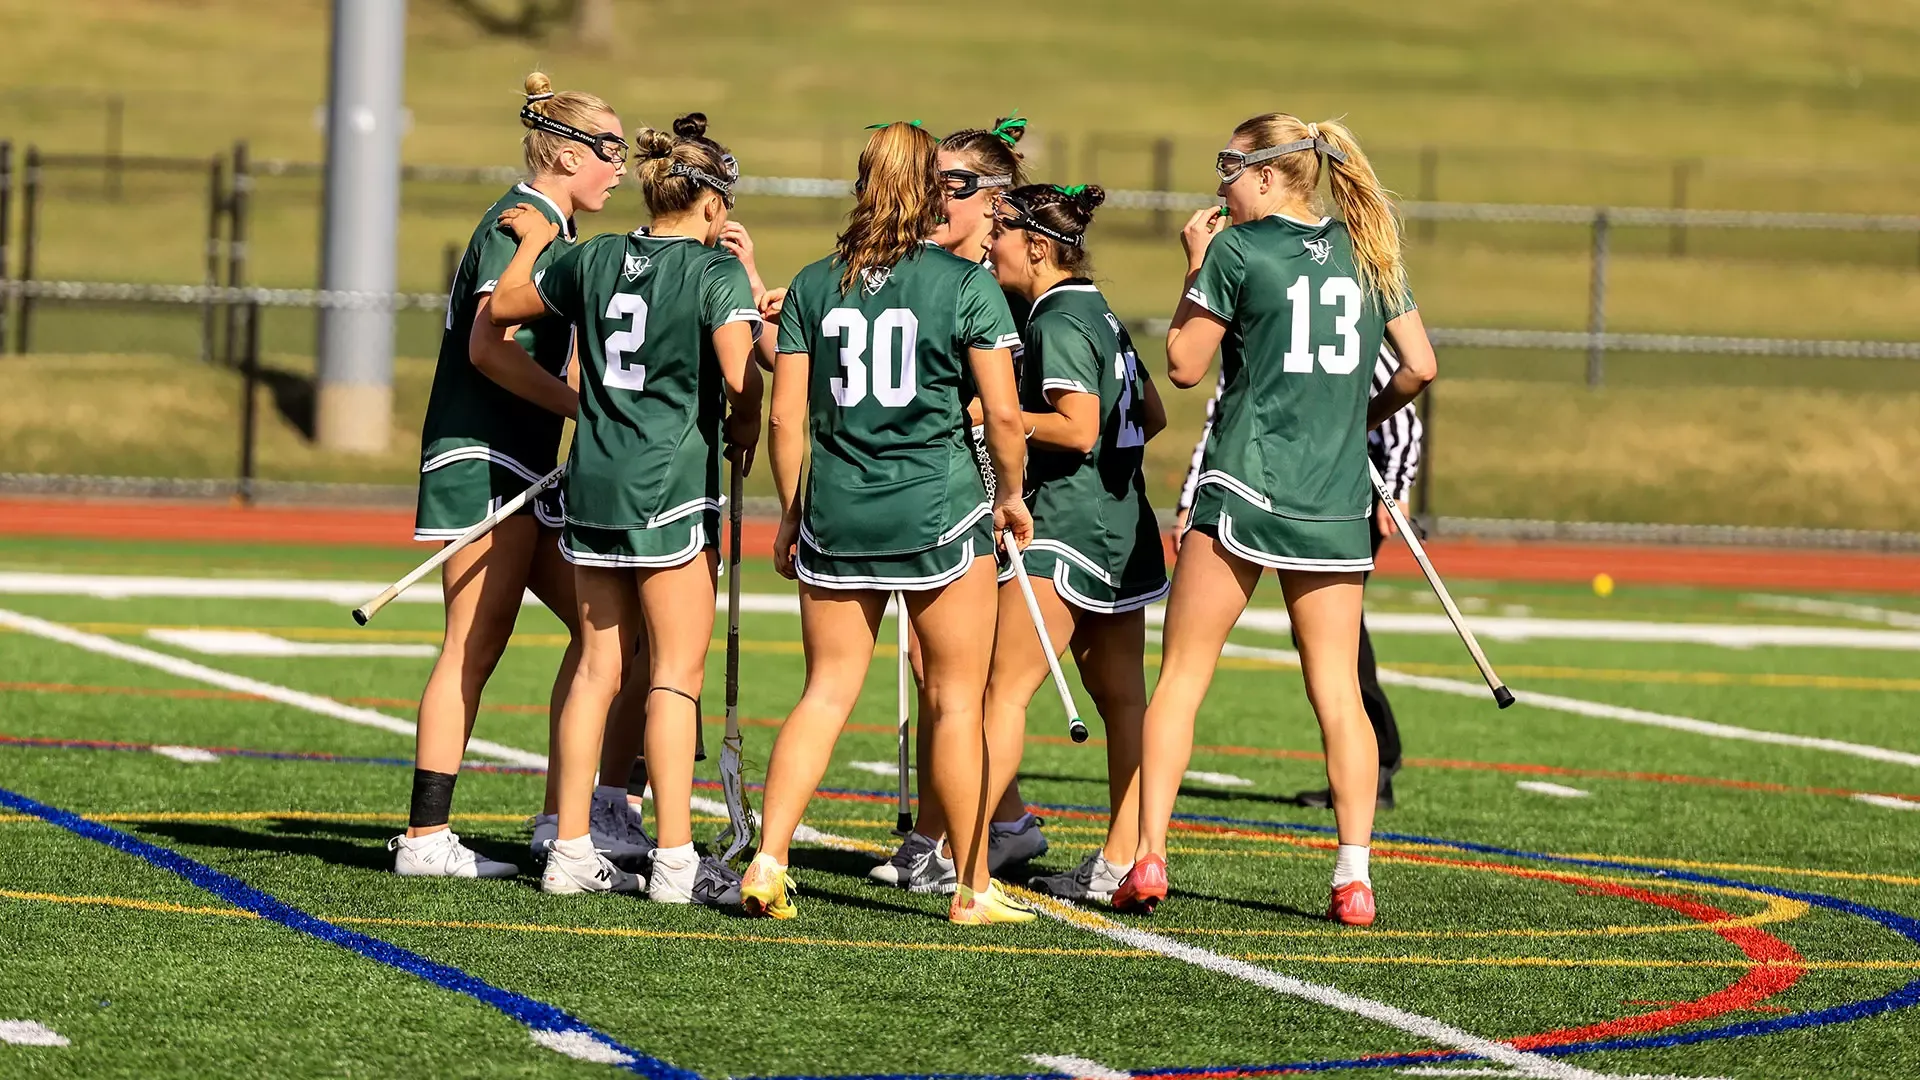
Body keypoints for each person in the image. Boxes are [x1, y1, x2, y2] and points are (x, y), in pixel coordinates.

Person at [1114, 114, 1436, 927]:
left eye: (1228, 169)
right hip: (1333, 499)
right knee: (1338, 693)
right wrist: (1360, 418)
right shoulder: (1370, 251)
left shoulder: (1234, 250)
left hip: (1245, 485)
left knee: (1182, 676)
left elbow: (1184, 367)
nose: (1220, 187)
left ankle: (1149, 854)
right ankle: (1354, 875)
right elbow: (1420, 367)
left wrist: (1193, 265)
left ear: (1265, 175)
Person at [741, 120, 1035, 925]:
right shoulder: (964, 283)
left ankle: (769, 859)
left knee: (825, 692)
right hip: (938, 515)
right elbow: (1004, 417)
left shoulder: (810, 283)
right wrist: (1010, 496)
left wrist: (794, 512)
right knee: (954, 702)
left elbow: (784, 421)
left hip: (836, 513)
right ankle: (972, 886)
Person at [489, 114, 764, 901]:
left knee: (596, 668)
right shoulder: (712, 275)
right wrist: (744, 429)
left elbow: (506, 304)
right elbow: (744, 385)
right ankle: (676, 859)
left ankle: (570, 848)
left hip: (596, 484)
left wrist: (540, 243)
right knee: (674, 677)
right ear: (710, 204)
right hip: (670, 490)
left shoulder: (598, 255)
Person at [390, 72, 629, 880]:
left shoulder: (550, 233)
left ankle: (576, 822)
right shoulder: (515, 225)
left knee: (610, 634)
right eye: (609, 149)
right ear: (564, 152)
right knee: (474, 642)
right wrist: (580, 407)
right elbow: (487, 348)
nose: (621, 166)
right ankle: (426, 839)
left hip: (527, 466)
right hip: (484, 456)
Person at [869, 115, 1054, 895]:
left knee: (967, 682)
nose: (936, 197)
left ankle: (954, 839)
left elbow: (1020, 406)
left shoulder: (998, 282)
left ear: (993, 196)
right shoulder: (934, 271)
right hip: (944, 493)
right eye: (933, 182)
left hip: (1002, 498)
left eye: (954, 185)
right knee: (935, 667)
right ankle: (988, 824)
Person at [976, 183, 1169, 905]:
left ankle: (961, 856)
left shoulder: (1057, 315)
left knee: (1002, 692)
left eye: (999, 232)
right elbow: (1150, 414)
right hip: (1123, 525)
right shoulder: (1100, 311)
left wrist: (998, 416)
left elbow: (1080, 426)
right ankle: (1124, 859)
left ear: (1036, 245)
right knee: (1123, 701)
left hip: (1065, 529)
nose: (989, 246)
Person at [1173, 347, 1424, 810]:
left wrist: (1397, 484)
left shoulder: (1345, 303)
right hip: (1273, 479)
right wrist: (1193, 491)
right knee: (1322, 642)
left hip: (1341, 488)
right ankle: (1367, 791)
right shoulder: (1261, 315)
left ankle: (1379, 763)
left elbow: (1407, 409)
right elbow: (1225, 411)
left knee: (1334, 648)